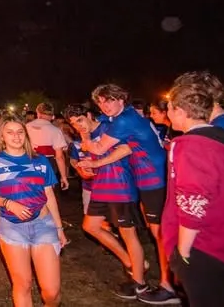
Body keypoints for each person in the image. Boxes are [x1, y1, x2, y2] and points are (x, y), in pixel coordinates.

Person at [81, 84, 177, 304]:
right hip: (148, 179)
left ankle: (169, 285)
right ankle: (154, 281)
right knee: (158, 234)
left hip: (155, 179)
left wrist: (85, 140)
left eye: (109, 100)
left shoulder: (124, 120)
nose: (105, 106)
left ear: (121, 99)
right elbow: (127, 148)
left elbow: (98, 148)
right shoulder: (127, 118)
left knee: (161, 235)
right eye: (101, 102)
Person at [0, 118, 67, 307]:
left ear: (26, 135)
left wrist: (59, 227)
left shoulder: (40, 160)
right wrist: (8, 204)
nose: (16, 136)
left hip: (44, 225)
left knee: (52, 292)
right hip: (12, 228)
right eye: (10, 132)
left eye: (20, 132)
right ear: (2, 137)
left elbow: (49, 195)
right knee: (23, 284)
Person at [64, 105, 148, 295]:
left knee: (128, 234)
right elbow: (89, 168)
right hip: (100, 188)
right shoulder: (82, 138)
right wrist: (85, 170)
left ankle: (140, 282)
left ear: (88, 115)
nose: (78, 125)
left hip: (120, 186)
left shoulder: (108, 128)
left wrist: (95, 162)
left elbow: (126, 149)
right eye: (73, 123)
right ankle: (132, 262)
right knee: (90, 226)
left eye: (80, 120)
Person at [163, 82, 224, 306]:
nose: (168, 115)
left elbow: (193, 200)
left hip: (203, 247)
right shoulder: (221, 136)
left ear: (180, 111)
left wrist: (183, 253)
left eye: (169, 109)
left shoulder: (189, 144)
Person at [25, 103, 70, 191]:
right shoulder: (55, 130)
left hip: (28, 162)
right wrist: (64, 177)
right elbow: (59, 157)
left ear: (38, 112)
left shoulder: (26, 127)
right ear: (52, 115)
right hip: (49, 165)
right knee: (48, 193)